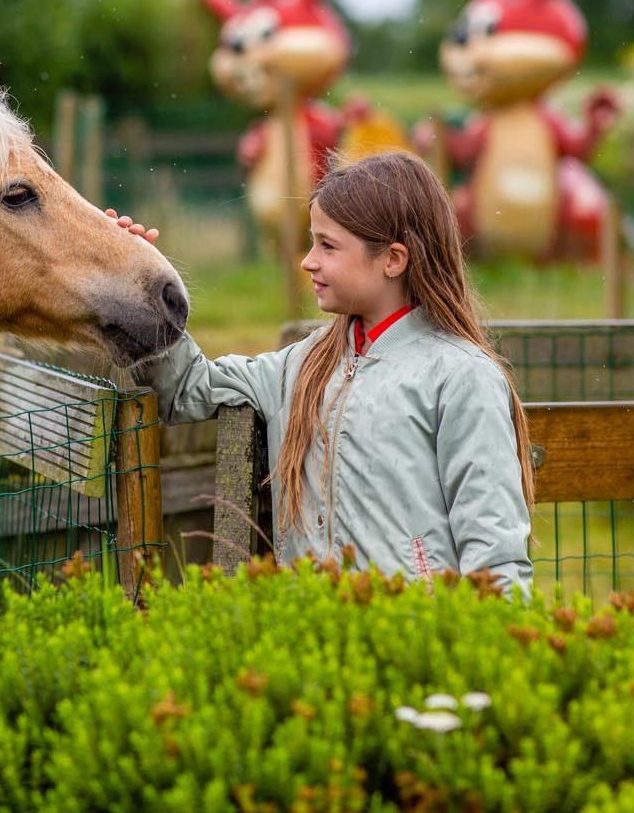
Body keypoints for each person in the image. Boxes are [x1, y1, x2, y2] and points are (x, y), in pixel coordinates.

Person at [108, 151, 533, 595]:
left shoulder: (462, 378)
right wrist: (139, 290)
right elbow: (186, 389)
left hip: (414, 631)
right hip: (314, 629)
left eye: (327, 246)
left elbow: (494, 549)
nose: (308, 261)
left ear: (393, 259)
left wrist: (489, 634)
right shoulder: (300, 364)